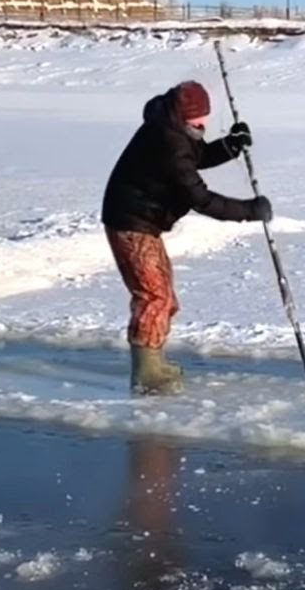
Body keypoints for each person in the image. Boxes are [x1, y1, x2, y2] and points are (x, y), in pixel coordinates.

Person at [101, 80, 272, 396]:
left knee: (166, 297)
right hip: (130, 222)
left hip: (145, 222)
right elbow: (201, 199)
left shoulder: (172, 130)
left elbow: (195, 156)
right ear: (181, 118)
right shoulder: (167, 140)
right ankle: (146, 373)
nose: (202, 126)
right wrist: (250, 210)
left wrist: (230, 146)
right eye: (197, 122)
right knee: (154, 296)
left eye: (204, 120)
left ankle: (154, 359)